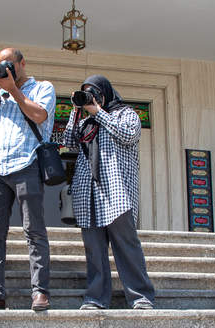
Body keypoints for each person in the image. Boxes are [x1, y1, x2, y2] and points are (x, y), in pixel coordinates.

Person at [62, 75, 156, 310]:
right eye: (86, 93)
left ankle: (140, 297)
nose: (90, 97)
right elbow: (69, 142)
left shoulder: (125, 114)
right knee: (94, 250)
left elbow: (129, 135)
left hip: (116, 192)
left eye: (92, 92)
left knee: (127, 246)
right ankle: (95, 298)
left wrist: (98, 112)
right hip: (88, 192)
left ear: (104, 92)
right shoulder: (86, 122)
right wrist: (76, 111)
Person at [0, 48, 56, 311]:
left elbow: (39, 115)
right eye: (0, 64)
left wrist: (14, 90)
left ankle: (40, 292)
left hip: (27, 163)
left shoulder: (43, 88)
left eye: (9, 63)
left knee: (34, 230)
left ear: (22, 63)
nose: (6, 68)